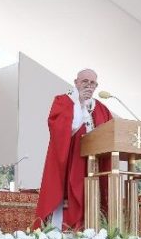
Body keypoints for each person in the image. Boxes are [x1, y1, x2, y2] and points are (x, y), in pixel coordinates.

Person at [33, 69, 113, 230]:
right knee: (70, 198)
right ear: (76, 82)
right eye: (85, 82)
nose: (89, 86)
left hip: (93, 166)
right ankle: (64, 231)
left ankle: (92, 230)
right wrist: (79, 106)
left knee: (91, 198)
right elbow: (59, 130)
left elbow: (111, 134)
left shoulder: (101, 109)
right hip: (71, 162)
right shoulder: (64, 101)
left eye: (93, 83)